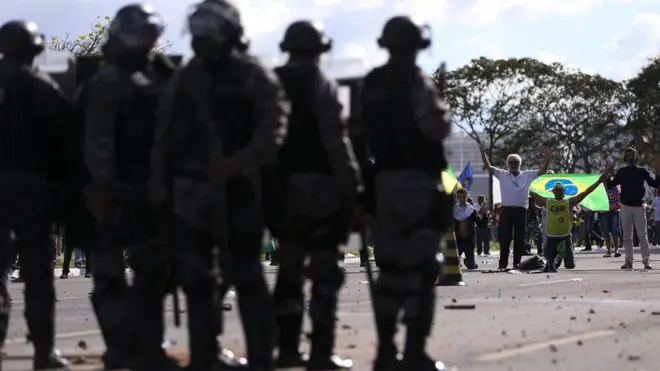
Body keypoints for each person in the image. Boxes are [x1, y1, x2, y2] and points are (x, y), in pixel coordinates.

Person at [149, 0, 289, 369]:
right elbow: (163, 138)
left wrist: (237, 163)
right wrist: (162, 186)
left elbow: (273, 129)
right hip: (192, 195)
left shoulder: (251, 74)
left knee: (246, 275)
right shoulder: (187, 77)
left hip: (239, 191)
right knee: (197, 281)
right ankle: (205, 356)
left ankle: (260, 355)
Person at [82, 4, 178, 369]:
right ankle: (123, 347)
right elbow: (99, 141)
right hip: (114, 190)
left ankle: (146, 347)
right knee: (110, 274)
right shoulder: (109, 81)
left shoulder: (156, 77)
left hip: (148, 188)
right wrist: (104, 188)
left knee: (154, 271)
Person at [268, 20, 361, 370]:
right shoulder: (319, 83)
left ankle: (288, 348)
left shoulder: (271, 81)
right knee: (325, 273)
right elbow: (335, 139)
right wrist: (352, 183)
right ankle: (320, 353)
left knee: (289, 272)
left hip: (280, 190)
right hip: (319, 190)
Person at [361, 15, 452, 371]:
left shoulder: (372, 83)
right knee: (423, 266)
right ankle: (413, 351)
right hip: (416, 183)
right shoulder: (416, 82)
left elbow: (358, 131)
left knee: (389, 267)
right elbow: (437, 127)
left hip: (383, 184)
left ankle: (385, 351)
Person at [0, 19, 75, 369]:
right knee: (37, 275)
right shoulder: (42, 87)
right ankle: (43, 352)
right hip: (32, 193)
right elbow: (64, 147)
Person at [479, 143, 551, 269]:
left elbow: (542, 171)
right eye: (511, 162)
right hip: (506, 211)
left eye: (516, 162)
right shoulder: (502, 174)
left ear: (520, 164)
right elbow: (488, 166)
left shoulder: (527, 174)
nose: (513, 164)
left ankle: (517, 263)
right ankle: (503, 264)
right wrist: (483, 153)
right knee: (505, 238)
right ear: (507, 164)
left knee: (519, 238)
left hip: (521, 211)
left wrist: (547, 159)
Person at [530, 169, 609, 272]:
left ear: (564, 193)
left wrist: (598, 182)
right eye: (556, 190)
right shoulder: (547, 202)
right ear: (552, 192)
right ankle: (553, 260)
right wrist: (525, 184)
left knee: (570, 266)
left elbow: (585, 192)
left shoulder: (569, 202)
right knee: (549, 261)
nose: (558, 192)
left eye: (560, 190)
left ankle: (558, 257)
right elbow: (531, 192)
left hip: (565, 236)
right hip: (552, 236)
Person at [605, 148, 660, 270]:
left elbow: (655, 184)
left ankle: (646, 261)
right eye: (628, 155)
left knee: (642, 235)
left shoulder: (642, 171)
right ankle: (629, 261)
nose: (631, 157)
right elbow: (610, 185)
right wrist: (607, 173)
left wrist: (657, 171)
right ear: (625, 159)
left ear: (636, 157)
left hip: (639, 207)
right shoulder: (622, 172)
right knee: (627, 236)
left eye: (633, 155)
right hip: (625, 207)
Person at [453, 189, 478, 269]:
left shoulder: (471, 210)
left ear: (466, 197)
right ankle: (458, 261)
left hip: (468, 240)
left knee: (471, 266)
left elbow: (480, 223)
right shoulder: (453, 210)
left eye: (463, 197)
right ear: (457, 197)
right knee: (454, 266)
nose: (461, 199)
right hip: (457, 239)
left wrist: (484, 215)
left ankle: (468, 261)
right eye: (459, 197)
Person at [600, 181, 622, 257]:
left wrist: (615, 206)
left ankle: (616, 250)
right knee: (606, 232)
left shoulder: (615, 186)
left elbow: (619, 198)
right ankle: (608, 251)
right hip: (604, 211)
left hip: (614, 211)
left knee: (615, 231)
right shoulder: (600, 188)